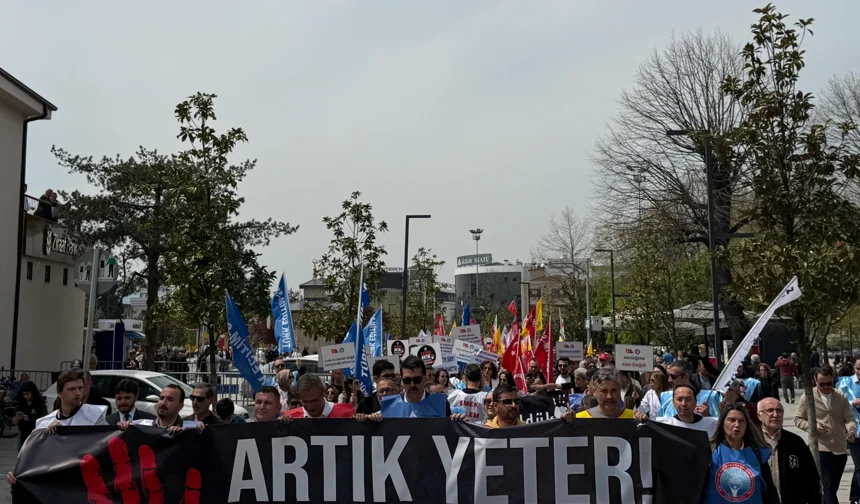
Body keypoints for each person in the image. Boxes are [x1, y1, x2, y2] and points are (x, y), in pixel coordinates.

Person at [795, 366, 856, 504]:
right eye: (822, 384)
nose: (826, 387)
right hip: (820, 447)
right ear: (815, 381)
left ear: (833, 380)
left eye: (829, 383)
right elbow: (798, 419)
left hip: (840, 448)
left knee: (832, 487)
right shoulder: (808, 397)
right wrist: (813, 426)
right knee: (828, 487)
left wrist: (851, 430)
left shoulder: (840, 396)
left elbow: (849, 418)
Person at [704, 402, 779, 504]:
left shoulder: (758, 454)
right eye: (732, 420)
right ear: (722, 424)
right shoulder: (710, 451)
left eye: (741, 421)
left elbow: (769, 491)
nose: (737, 424)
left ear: (746, 425)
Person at [757, 397, 821, 504]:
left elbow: (811, 477)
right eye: (770, 410)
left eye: (779, 411)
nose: (775, 414)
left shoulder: (795, 442)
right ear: (759, 415)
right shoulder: (752, 442)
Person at [636, 384, 718, 437]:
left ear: (695, 402)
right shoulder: (662, 425)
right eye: (679, 399)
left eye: (688, 399)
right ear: (673, 402)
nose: (684, 404)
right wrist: (641, 419)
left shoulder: (713, 424)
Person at [838, 357, 860, 504]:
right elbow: (838, 404)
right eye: (858, 369)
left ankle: (854, 498)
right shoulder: (845, 383)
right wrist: (853, 403)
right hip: (854, 431)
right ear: (854, 368)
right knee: (859, 465)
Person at [284, 374, 355, 419]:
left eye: (314, 401)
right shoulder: (291, 418)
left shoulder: (346, 414)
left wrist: (360, 421)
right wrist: (281, 426)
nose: (310, 407)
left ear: (323, 392)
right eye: (305, 402)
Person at [12, 381, 47, 450]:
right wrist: (16, 419)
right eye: (24, 394)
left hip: (35, 434)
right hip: (23, 433)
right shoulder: (21, 404)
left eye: (28, 394)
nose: (26, 396)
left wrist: (29, 418)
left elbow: (44, 421)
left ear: (33, 393)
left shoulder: (40, 405)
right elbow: (15, 422)